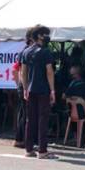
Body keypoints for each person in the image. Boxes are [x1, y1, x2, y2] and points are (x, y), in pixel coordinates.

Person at [21, 25, 57, 159]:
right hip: (43, 89)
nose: (46, 36)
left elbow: (23, 72)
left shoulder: (26, 52)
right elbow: (49, 71)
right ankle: (42, 150)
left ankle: (29, 149)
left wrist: (25, 88)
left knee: (30, 120)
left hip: (30, 89)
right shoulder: (45, 51)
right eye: (44, 34)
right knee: (43, 120)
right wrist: (52, 90)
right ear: (39, 36)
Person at [12, 28, 34, 148]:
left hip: (23, 86)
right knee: (26, 114)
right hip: (26, 86)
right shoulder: (27, 52)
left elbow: (14, 70)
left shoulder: (23, 52)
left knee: (23, 113)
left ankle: (20, 139)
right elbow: (16, 70)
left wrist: (18, 85)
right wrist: (22, 85)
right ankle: (22, 139)